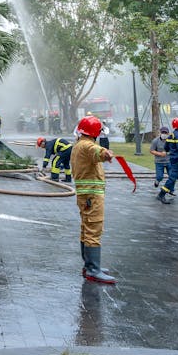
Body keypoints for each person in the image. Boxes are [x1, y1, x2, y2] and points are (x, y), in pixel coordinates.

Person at [71, 115, 116, 283]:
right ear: (95, 132)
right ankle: (93, 270)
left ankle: (89, 264)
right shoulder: (87, 146)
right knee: (94, 228)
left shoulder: (78, 145)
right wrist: (107, 153)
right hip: (92, 195)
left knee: (86, 227)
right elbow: (97, 151)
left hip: (85, 195)